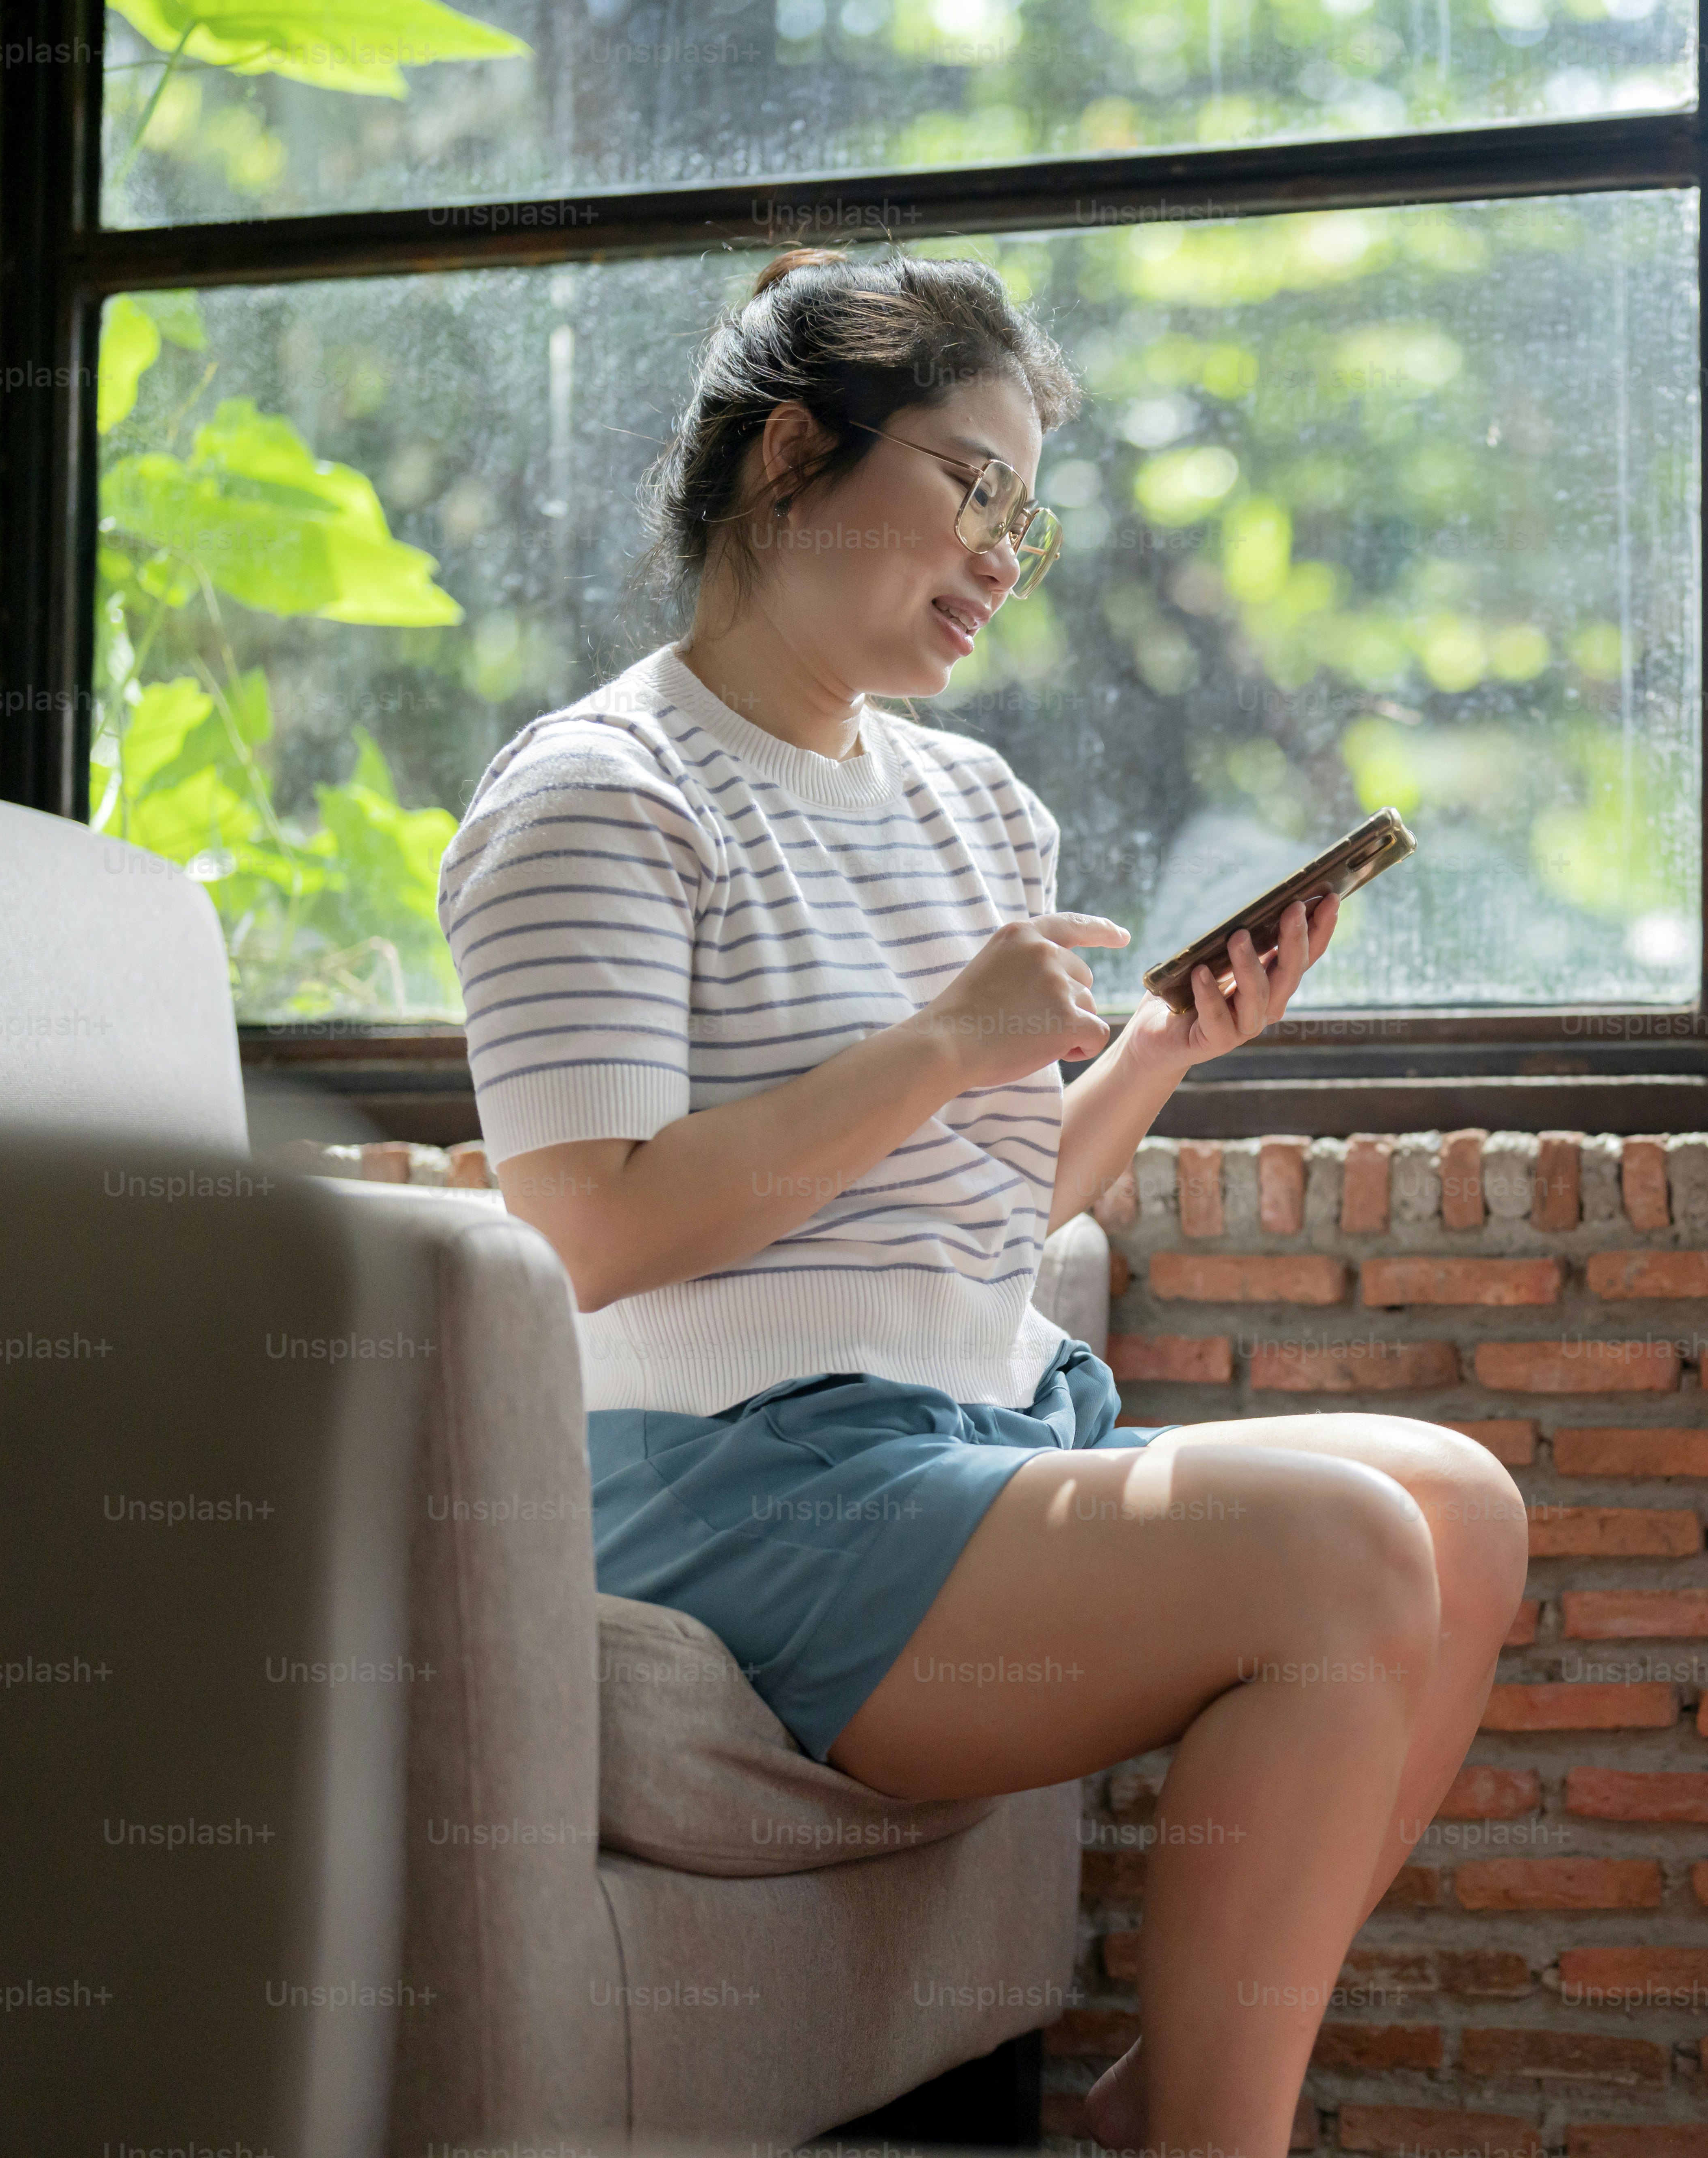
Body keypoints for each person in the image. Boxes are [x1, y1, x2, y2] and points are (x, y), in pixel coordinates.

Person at [435, 245, 1527, 2158]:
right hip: (728, 1483)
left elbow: (972, 1226)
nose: (1005, 549)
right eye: (965, 482)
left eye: (1026, 508)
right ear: (791, 457)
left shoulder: (976, 806)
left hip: (960, 1431)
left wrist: (1164, 1054)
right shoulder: (597, 797)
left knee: (1464, 1509)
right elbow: (584, 1233)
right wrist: (945, 1042)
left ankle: (1160, 2095)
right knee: (1343, 1549)